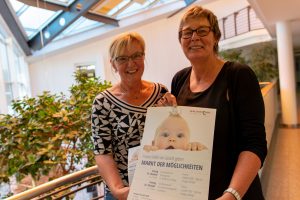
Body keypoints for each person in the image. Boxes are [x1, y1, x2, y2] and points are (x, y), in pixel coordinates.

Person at [161, 6, 268, 200]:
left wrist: (231, 194)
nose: (194, 37)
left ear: (216, 36)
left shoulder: (238, 75)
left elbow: (254, 144)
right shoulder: (179, 79)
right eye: (187, 33)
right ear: (180, 40)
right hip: (193, 192)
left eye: (202, 31)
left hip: (237, 193)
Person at [91, 32, 168, 200]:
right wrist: (118, 190)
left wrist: (174, 111)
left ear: (143, 57)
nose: (131, 64)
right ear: (113, 64)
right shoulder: (103, 102)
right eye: (122, 59)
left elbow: (172, 138)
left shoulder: (161, 93)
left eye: (136, 56)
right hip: (124, 193)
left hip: (160, 187)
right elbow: (102, 152)